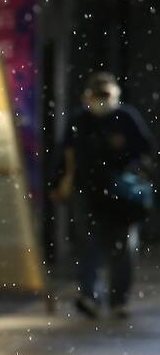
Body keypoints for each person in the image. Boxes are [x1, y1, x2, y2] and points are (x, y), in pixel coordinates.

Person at [51, 72, 155, 320]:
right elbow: (65, 154)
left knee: (122, 249)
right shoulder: (80, 120)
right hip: (87, 192)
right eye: (96, 95)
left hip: (120, 195)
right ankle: (90, 297)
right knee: (89, 247)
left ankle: (118, 299)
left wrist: (124, 155)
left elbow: (145, 149)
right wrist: (57, 183)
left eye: (105, 95)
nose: (101, 100)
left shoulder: (125, 118)